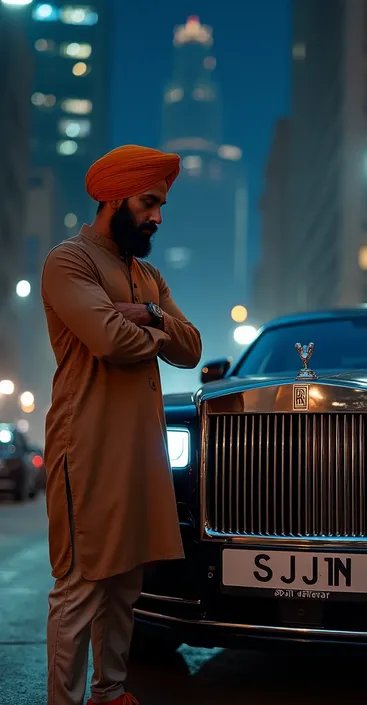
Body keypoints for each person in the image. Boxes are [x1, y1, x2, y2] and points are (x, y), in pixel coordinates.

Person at [41, 144, 202, 705]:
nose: (157, 216)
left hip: (141, 451)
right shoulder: (69, 262)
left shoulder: (147, 274)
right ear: (114, 199)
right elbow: (110, 340)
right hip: (87, 446)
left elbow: (193, 347)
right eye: (149, 202)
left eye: (160, 205)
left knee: (126, 584)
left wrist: (152, 316)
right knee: (83, 585)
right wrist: (155, 333)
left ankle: (110, 694)